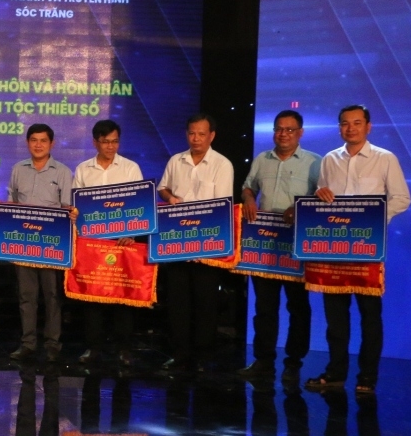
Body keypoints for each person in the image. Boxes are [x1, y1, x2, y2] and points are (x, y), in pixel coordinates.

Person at [306, 105, 410, 394]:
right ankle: (335, 372)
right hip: (333, 247)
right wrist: (318, 194)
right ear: (339, 127)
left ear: (368, 126)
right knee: (335, 318)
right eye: (345, 123)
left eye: (357, 123)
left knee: (370, 317)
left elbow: (402, 198)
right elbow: (322, 196)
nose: (350, 128)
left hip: (366, 248)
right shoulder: (329, 159)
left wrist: (373, 218)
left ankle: (367, 377)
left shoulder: (385, 158)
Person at [238, 110, 321, 385]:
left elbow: (323, 199)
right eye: (279, 129)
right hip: (263, 244)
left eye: (289, 129)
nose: (283, 134)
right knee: (264, 307)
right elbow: (248, 187)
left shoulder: (315, 163)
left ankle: (294, 363)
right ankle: (263, 360)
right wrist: (249, 199)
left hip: (295, 245)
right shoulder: (262, 159)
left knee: (298, 307)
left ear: (300, 133)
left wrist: (300, 208)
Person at [157, 113, 234, 372]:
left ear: (212, 136)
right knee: (177, 302)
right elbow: (163, 188)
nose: (196, 138)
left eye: (201, 134)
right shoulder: (175, 160)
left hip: (207, 244)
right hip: (177, 243)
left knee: (205, 302)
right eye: (192, 133)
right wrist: (170, 198)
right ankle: (180, 354)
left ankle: (202, 357)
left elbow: (222, 205)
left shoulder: (222, 164)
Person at [72, 119, 144, 366]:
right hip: (92, 242)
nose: (111, 146)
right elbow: (77, 207)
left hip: (122, 241)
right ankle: (93, 348)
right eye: (105, 142)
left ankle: (124, 349)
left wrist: (131, 233)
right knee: (92, 296)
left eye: (115, 141)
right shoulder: (83, 169)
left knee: (122, 295)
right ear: (95, 142)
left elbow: (138, 204)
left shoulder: (130, 168)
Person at [5, 123, 74, 362]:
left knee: (52, 295)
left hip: (52, 245)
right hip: (24, 244)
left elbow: (67, 207)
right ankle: (28, 343)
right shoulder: (18, 169)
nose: (38, 145)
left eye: (43, 140)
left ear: (51, 144)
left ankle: (53, 344)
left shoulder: (63, 172)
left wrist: (71, 214)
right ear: (27, 143)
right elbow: (12, 203)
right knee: (27, 296)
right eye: (34, 140)